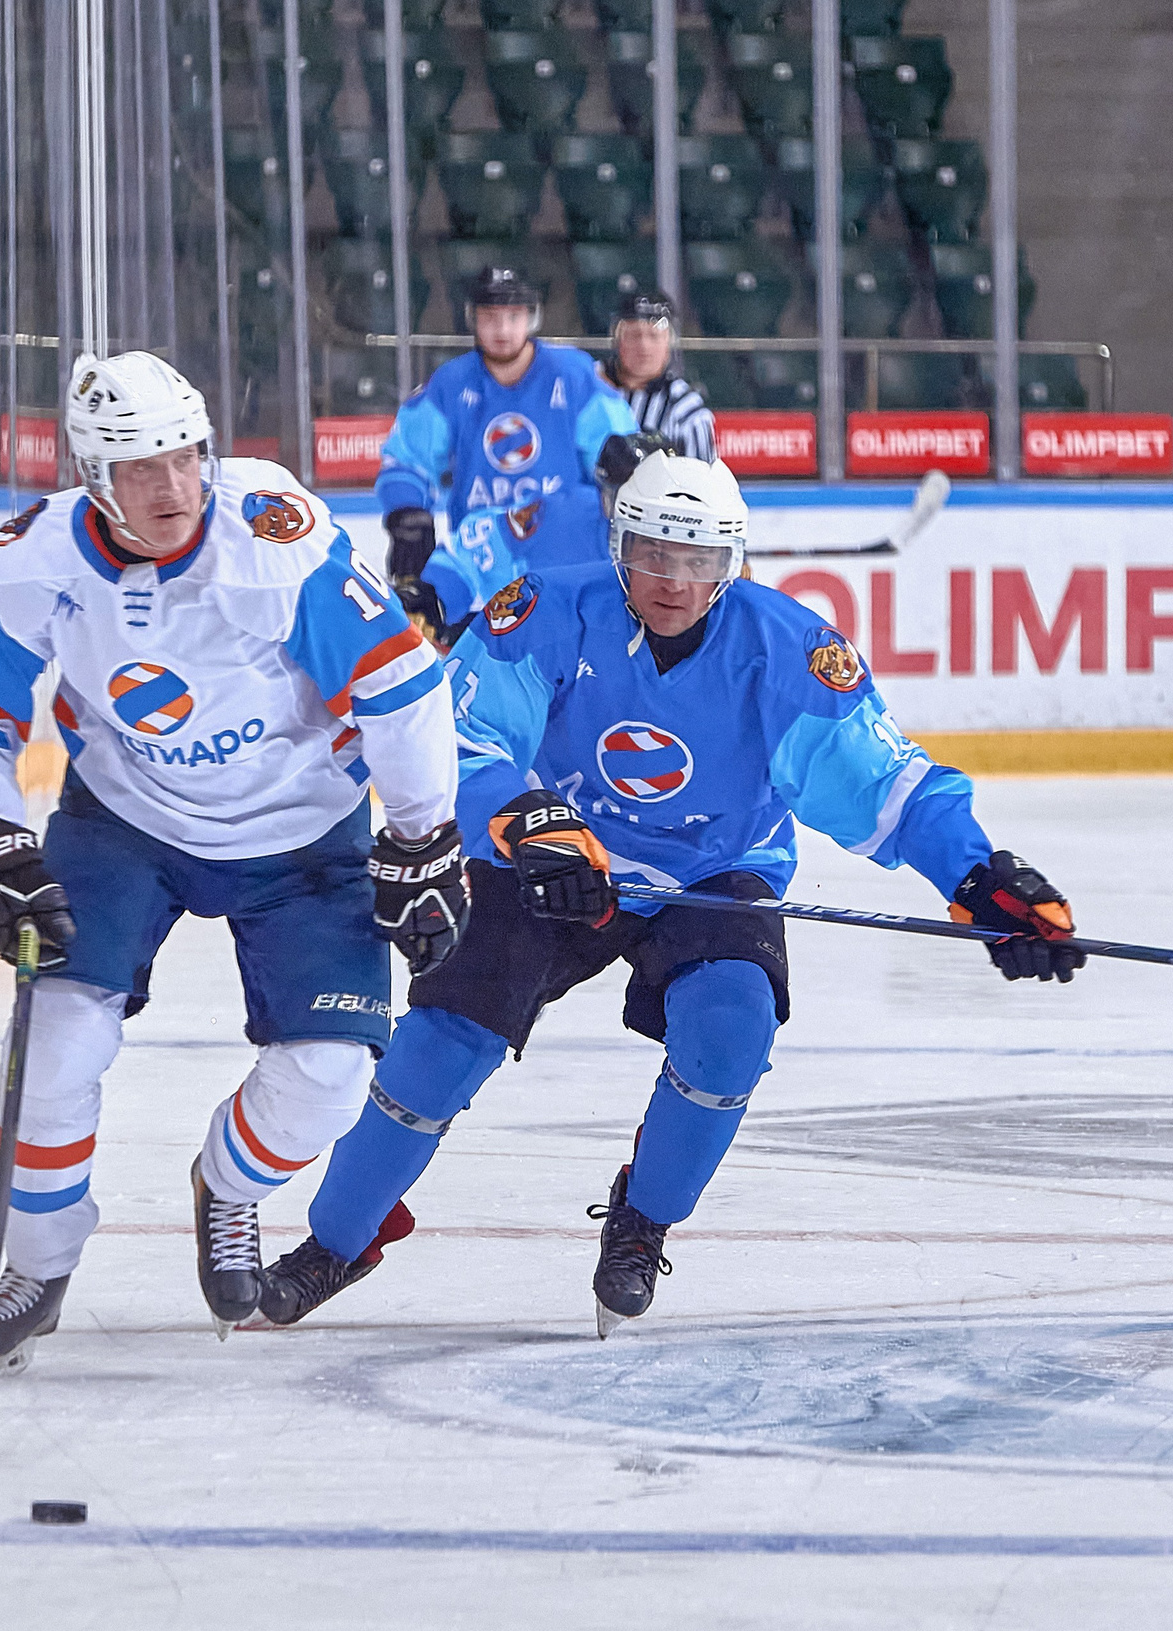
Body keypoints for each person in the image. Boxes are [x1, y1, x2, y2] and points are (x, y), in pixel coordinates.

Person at [258, 452, 1085, 1336]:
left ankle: (641, 1219)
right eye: (654, 552)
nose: (675, 581)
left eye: (699, 561)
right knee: (444, 1038)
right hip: (560, 857)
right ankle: (338, 1239)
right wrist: (524, 819)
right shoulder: (543, 610)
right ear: (619, 546)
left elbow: (893, 789)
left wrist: (980, 879)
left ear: (733, 563)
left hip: (716, 874)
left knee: (732, 1027)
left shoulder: (790, 652)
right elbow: (460, 737)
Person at [0, 350, 470, 1382]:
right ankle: (36, 1271)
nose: (171, 486)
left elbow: (398, 683)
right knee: (60, 1042)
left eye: (185, 456)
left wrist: (422, 835)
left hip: (305, 832)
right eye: (140, 468)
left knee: (330, 1081)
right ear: (90, 476)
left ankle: (228, 1185)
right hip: (125, 821)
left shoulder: (276, 542)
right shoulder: (32, 562)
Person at [375, 265, 647, 609]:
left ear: (531, 318)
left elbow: (623, 462)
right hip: (479, 569)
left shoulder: (574, 376)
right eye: (490, 316)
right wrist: (407, 514)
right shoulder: (450, 383)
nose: (502, 329)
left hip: (566, 565)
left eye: (513, 316)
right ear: (472, 318)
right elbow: (406, 460)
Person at [603, 289, 715, 462]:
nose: (644, 346)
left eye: (654, 336)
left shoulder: (686, 410)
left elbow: (701, 484)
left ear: (668, 343)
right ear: (618, 340)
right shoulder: (588, 386)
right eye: (634, 335)